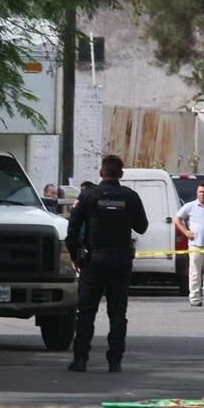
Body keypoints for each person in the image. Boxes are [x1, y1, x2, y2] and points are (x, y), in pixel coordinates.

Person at [65, 155, 148, 373]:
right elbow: (142, 227)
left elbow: (72, 228)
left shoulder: (89, 195)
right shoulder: (130, 197)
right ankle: (115, 361)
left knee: (86, 311)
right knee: (118, 312)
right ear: (120, 174)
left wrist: (74, 254)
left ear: (101, 172)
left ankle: (80, 359)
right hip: (120, 260)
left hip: (94, 260)